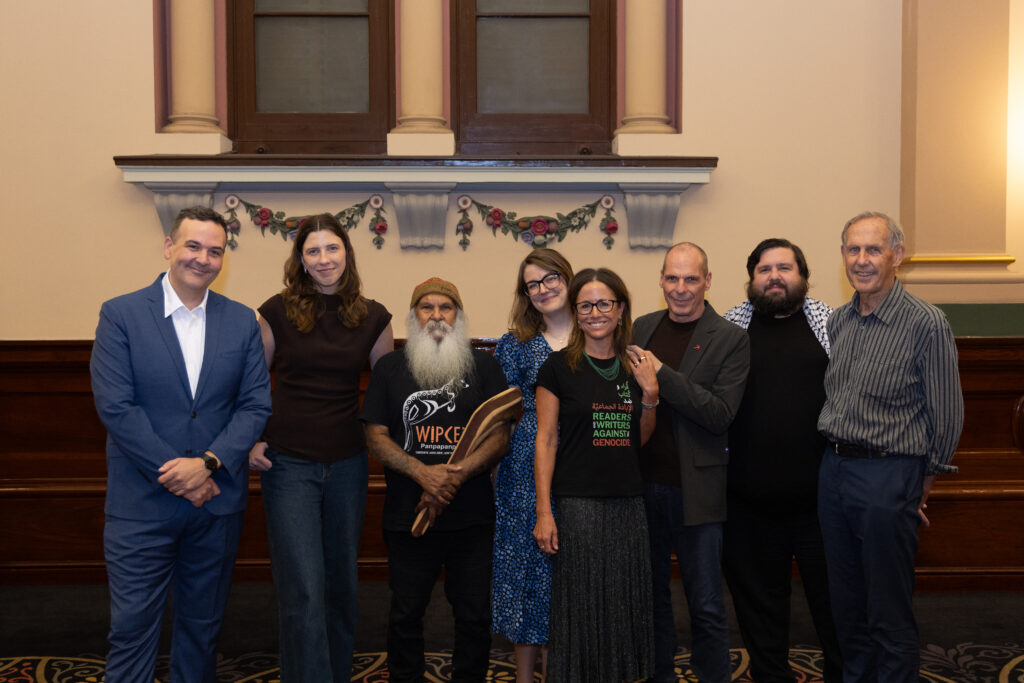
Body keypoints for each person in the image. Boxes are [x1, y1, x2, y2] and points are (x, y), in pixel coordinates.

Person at [90, 206, 272, 683]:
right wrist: (181, 474)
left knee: (201, 633)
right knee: (132, 631)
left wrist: (208, 464)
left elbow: (255, 405)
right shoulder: (121, 314)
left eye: (215, 251)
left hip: (216, 507)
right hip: (141, 506)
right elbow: (116, 407)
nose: (203, 259)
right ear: (169, 247)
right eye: (193, 246)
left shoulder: (242, 321)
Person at [817, 211, 963, 682]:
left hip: (888, 474)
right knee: (846, 605)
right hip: (833, 472)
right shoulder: (839, 322)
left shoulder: (926, 323)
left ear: (896, 256)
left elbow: (947, 413)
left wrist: (922, 482)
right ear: (842, 255)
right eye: (853, 249)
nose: (861, 260)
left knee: (887, 608)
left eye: (873, 249)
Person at [247, 213, 393, 682]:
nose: (324, 259)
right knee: (304, 588)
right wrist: (251, 438)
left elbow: (388, 392)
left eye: (332, 248)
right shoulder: (275, 312)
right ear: (301, 260)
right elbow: (252, 384)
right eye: (313, 251)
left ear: (347, 253)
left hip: (349, 462)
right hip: (288, 463)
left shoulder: (374, 317)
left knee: (340, 584)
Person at [361, 277, 510, 683]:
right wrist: (421, 472)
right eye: (426, 307)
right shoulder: (390, 368)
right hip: (407, 516)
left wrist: (456, 475)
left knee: (474, 614)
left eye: (446, 307)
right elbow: (375, 435)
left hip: (472, 518)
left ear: (458, 316)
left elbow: (500, 436)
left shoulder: (484, 367)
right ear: (414, 316)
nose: (437, 315)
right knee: (406, 612)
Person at [721, 238, 842, 683]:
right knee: (759, 611)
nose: (774, 276)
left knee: (836, 607)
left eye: (785, 268)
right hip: (748, 505)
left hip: (823, 506)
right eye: (764, 269)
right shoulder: (727, 331)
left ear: (803, 276)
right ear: (751, 279)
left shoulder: (834, 326)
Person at [533, 267, 660, 683]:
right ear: (575, 312)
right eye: (585, 305)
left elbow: (639, 439)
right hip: (577, 506)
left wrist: (651, 395)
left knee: (623, 609)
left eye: (604, 303)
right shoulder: (557, 367)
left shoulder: (637, 365)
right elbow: (545, 439)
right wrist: (544, 512)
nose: (595, 312)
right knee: (580, 611)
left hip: (628, 503)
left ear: (621, 309)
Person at [632, 242, 750, 683]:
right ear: (661, 280)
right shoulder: (642, 327)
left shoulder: (731, 339)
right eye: (672, 278)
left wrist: (662, 375)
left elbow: (719, 414)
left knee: (705, 604)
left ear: (708, 281)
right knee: (651, 599)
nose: (680, 288)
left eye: (691, 279)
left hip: (695, 492)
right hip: (643, 486)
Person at [492, 248, 574, 682]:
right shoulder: (514, 346)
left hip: (582, 466)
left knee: (568, 582)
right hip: (524, 474)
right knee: (527, 579)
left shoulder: (597, 334)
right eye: (532, 285)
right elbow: (498, 420)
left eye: (550, 278)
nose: (543, 289)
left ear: (568, 277)